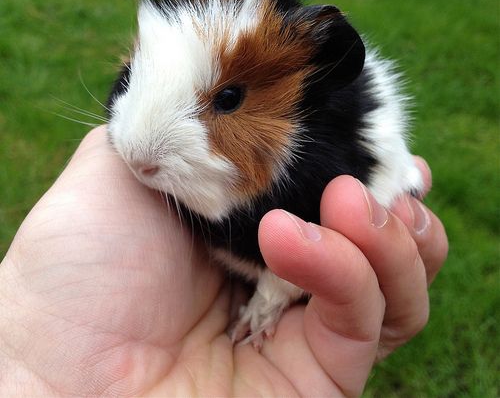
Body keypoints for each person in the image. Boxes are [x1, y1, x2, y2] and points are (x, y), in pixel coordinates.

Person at [0, 126, 448, 397]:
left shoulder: (326, 161)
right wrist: (31, 370)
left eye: (229, 101)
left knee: (329, 228)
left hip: (284, 266)